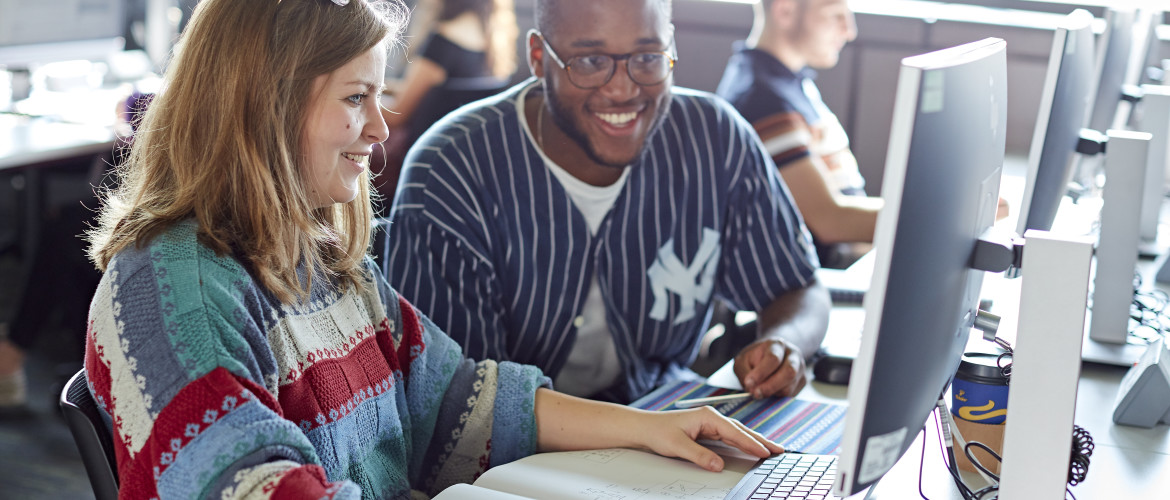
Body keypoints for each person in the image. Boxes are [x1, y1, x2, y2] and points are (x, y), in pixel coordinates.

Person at [81, 0, 784, 498]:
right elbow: (251, 488)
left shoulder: (321, 260)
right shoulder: (173, 290)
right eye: (356, 98)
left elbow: (454, 399)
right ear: (267, 103)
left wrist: (652, 430)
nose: (378, 132)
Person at [384, 0, 832, 404]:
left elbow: (798, 286)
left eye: (647, 57)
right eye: (591, 61)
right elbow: (452, 403)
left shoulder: (714, 138)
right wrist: (641, 434)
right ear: (539, 58)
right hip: (512, 463)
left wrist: (785, 343)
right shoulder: (453, 169)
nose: (623, 89)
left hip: (666, 429)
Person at [715, 0, 880, 269]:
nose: (849, 31)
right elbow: (831, 220)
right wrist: (923, 218)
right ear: (786, 10)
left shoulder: (790, 82)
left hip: (851, 257)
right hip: (818, 277)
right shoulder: (763, 100)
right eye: (835, 15)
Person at [372, 0, 517, 201]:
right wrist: (379, 87)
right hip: (460, 162)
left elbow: (396, 115)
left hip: (415, 156)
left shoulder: (442, 42)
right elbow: (428, 94)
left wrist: (356, 97)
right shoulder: (489, 40)